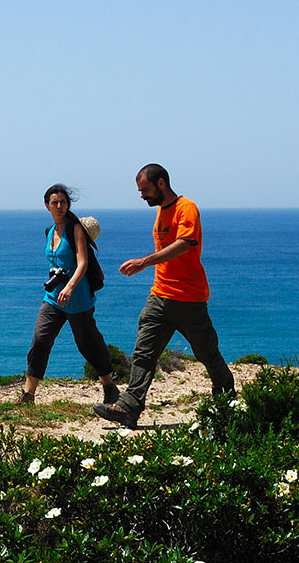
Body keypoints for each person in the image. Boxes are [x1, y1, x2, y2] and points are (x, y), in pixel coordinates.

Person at [93, 164, 235, 427]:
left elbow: (182, 245)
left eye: (145, 190)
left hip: (189, 298)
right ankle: (128, 407)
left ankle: (227, 398)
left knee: (207, 353)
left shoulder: (186, 208)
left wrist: (144, 262)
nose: (142, 196)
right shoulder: (160, 211)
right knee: (144, 353)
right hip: (160, 295)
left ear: (161, 183)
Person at [21, 184, 120, 407]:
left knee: (88, 344)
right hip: (53, 297)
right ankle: (29, 395)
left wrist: (70, 286)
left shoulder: (75, 229)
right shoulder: (49, 232)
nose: (59, 206)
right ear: (47, 205)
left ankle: (109, 386)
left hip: (77, 298)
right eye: (54, 202)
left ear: (68, 205)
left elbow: (82, 262)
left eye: (63, 202)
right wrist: (60, 287)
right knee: (40, 340)